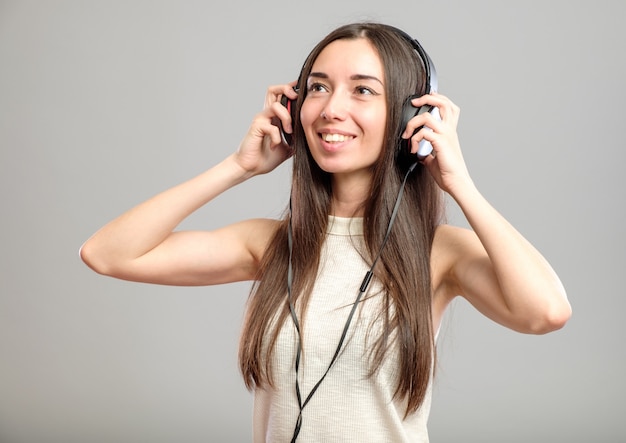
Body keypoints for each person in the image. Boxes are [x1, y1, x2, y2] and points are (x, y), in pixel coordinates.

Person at [80, 22, 571, 443]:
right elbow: (107, 254)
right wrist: (237, 167)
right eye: (317, 87)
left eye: (362, 89)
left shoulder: (439, 252)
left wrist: (458, 181)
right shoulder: (270, 245)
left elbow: (546, 312)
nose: (331, 108)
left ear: (412, 117)